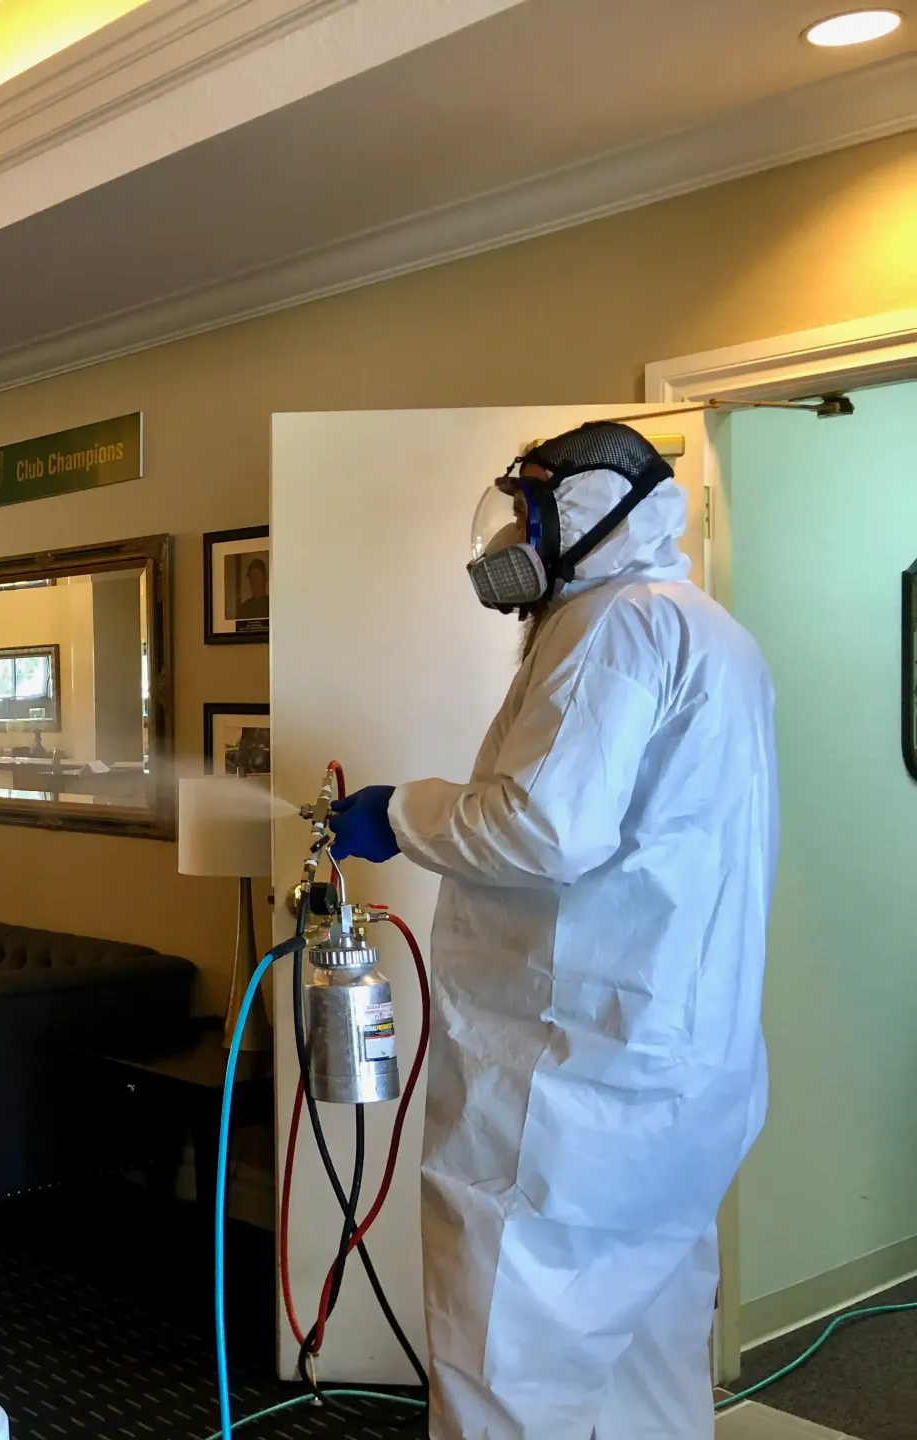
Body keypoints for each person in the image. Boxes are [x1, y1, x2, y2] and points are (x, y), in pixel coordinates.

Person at [327, 421, 776, 1439]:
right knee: (648, 1362)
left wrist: (401, 815)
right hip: (681, 1081)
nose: (510, 535)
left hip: (572, 1093)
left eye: (528, 510)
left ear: (586, 515)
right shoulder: (711, 631)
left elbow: (544, 828)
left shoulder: (610, 627)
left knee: (506, 1374)